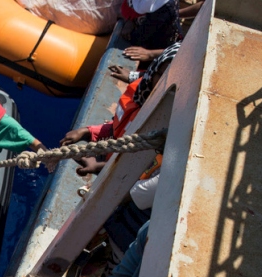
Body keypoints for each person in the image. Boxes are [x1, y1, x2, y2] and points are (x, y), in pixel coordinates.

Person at [61, 42, 179, 176]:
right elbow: (120, 128)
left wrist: (100, 167)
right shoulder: (141, 91)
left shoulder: (166, 117)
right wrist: (87, 132)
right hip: (112, 153)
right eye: (163, 74)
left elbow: (143, 162)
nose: (165, 82)